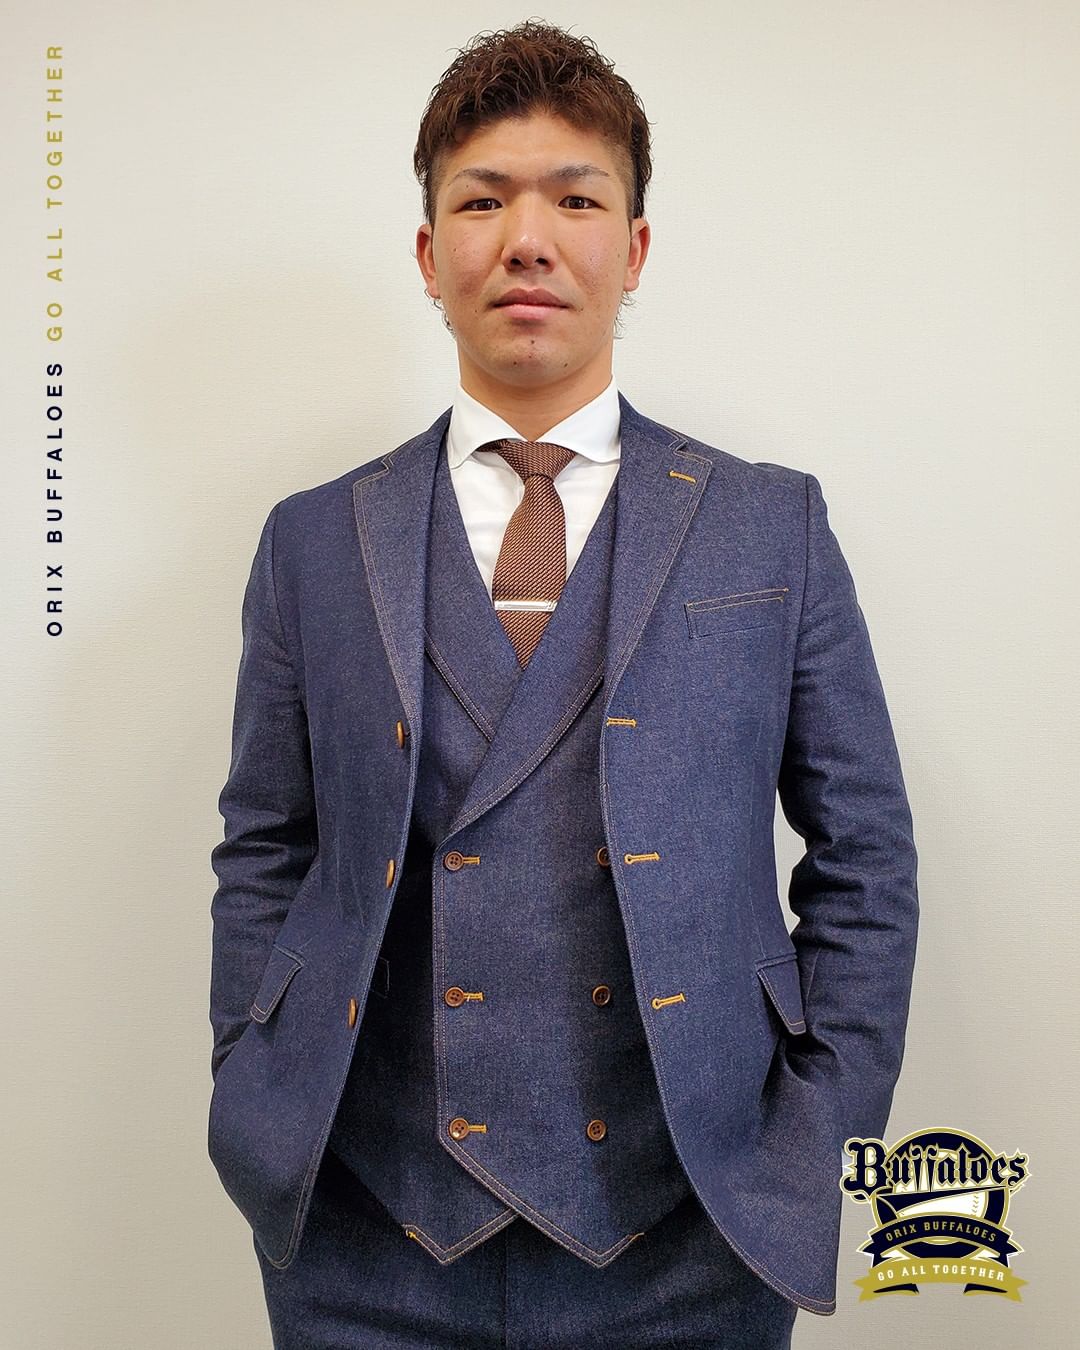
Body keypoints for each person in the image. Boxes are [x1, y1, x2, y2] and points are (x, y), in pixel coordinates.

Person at [207, 19, 919, 1349]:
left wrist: (815, 1137)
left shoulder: (769, 525)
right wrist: (252, 1082)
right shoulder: (312, 542)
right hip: (366, 1234)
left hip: (697, 1230)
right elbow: (268, 842)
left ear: (634, 248)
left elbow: (865, 852)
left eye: (575, 200)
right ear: (429, 253)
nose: (527, 239)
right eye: (482, 201)